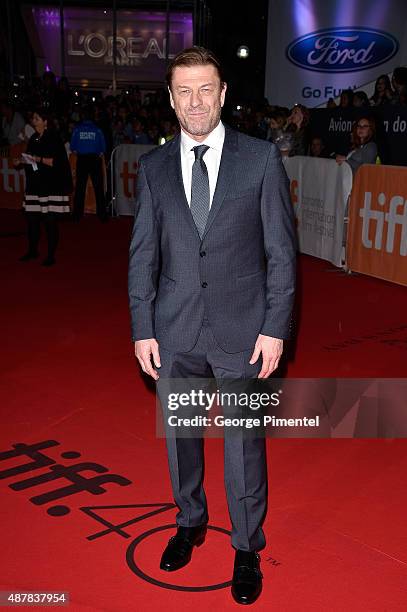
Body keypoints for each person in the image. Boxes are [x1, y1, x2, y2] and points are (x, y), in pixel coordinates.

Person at [128, 46, 296, 605]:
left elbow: (281, 253)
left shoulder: (261, 160)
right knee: (181, 438)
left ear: (223, 94)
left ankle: (246, 545)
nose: (196, 101)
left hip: (245, 332)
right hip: (174, 330)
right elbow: (143, 255)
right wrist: (142, 325)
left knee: (244, 444)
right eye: (184, 91)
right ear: (171, 100)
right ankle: (190, 521)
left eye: (206, 89)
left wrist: (275, 326)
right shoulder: (153, 168)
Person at [14, 109, 72, 266]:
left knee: (49, 221)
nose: (34, 121)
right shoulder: (33, 138)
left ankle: (51, 255)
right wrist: (22, 161)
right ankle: (32, 250)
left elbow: (54, 162)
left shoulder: (53, 137)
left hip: (50, 185)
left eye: (37, 118)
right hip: (35, 184)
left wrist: (36, 159)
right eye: (33, 118)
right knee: (31, 219)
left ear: (46, 122)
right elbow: (32, 161)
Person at [70, 108, 107, 222]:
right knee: (98, 188)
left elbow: (73, 148)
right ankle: (102, 216)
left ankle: (77, 215)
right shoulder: (98, 130)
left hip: (82, 160)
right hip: (95, 160)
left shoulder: (77, 130)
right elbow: (103, 149)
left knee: (80, 188)